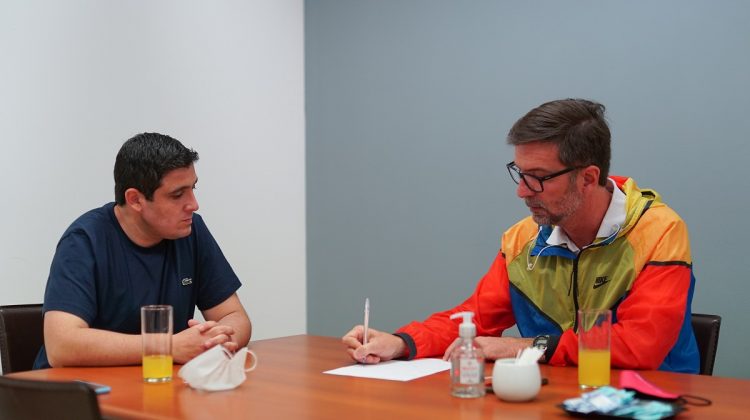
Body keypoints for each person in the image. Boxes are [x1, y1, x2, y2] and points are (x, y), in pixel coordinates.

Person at [342, 99, 699, 373]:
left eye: (538, 178)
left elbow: (639, 346)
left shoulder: (659, 231)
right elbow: (474, 317)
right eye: (520, 173)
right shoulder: (522, 239)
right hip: (556, 397)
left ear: (588, 178)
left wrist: (523, 347)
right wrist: (402, 342)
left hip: (648, 401)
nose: (522, 192)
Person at [34, 133, 251, 369]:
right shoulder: (85, 240)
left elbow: (234, 316)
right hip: (74, 397)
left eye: (193, 188)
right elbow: (61, 346)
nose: (193, 204)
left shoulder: (191, 230)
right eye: (177, 195)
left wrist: (218, 340)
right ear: (135, 200)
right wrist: (168, 347)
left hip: (156, 385)